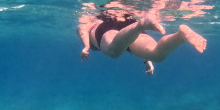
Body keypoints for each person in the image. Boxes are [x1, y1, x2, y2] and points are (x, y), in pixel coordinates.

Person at [78, 10, 206, 75]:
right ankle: (180, 37)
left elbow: (81, 29)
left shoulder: (93, 20)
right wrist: (147, 59)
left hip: (107, 27)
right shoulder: (95, 16)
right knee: (156, 55)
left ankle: (141, 25)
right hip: (129, 26)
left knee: (113, 52)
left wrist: (87, 46)